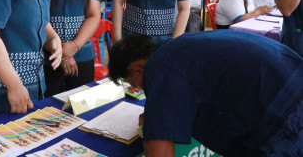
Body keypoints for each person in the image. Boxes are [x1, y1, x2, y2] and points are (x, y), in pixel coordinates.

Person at [108, 31, 303, 157]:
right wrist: (155, 115)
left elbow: (159, 149)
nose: (141, 90)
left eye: (133, 84)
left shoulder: (160, 66)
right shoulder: (178, 48)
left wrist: (156, 123)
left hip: (283, 113)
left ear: (136, 68)